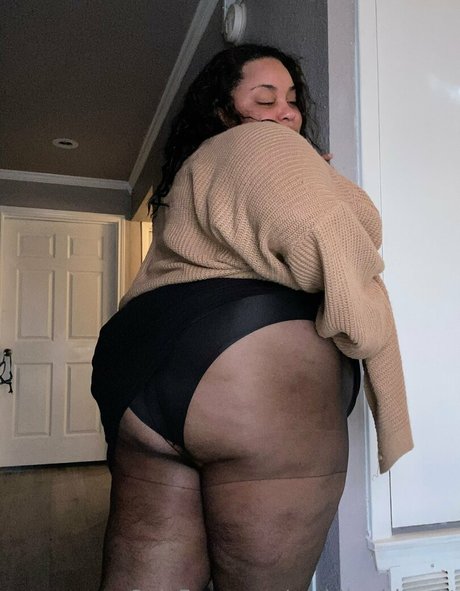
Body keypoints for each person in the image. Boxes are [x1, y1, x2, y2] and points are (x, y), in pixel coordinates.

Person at [91, 44, 413, 591]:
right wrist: (363, 321)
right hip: (241, 373)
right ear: (224, 110)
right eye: (265, 100)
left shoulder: (196, 170)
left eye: (292, 101)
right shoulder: (264, 144)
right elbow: (322, 232)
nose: (284, 113)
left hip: (139, 370)